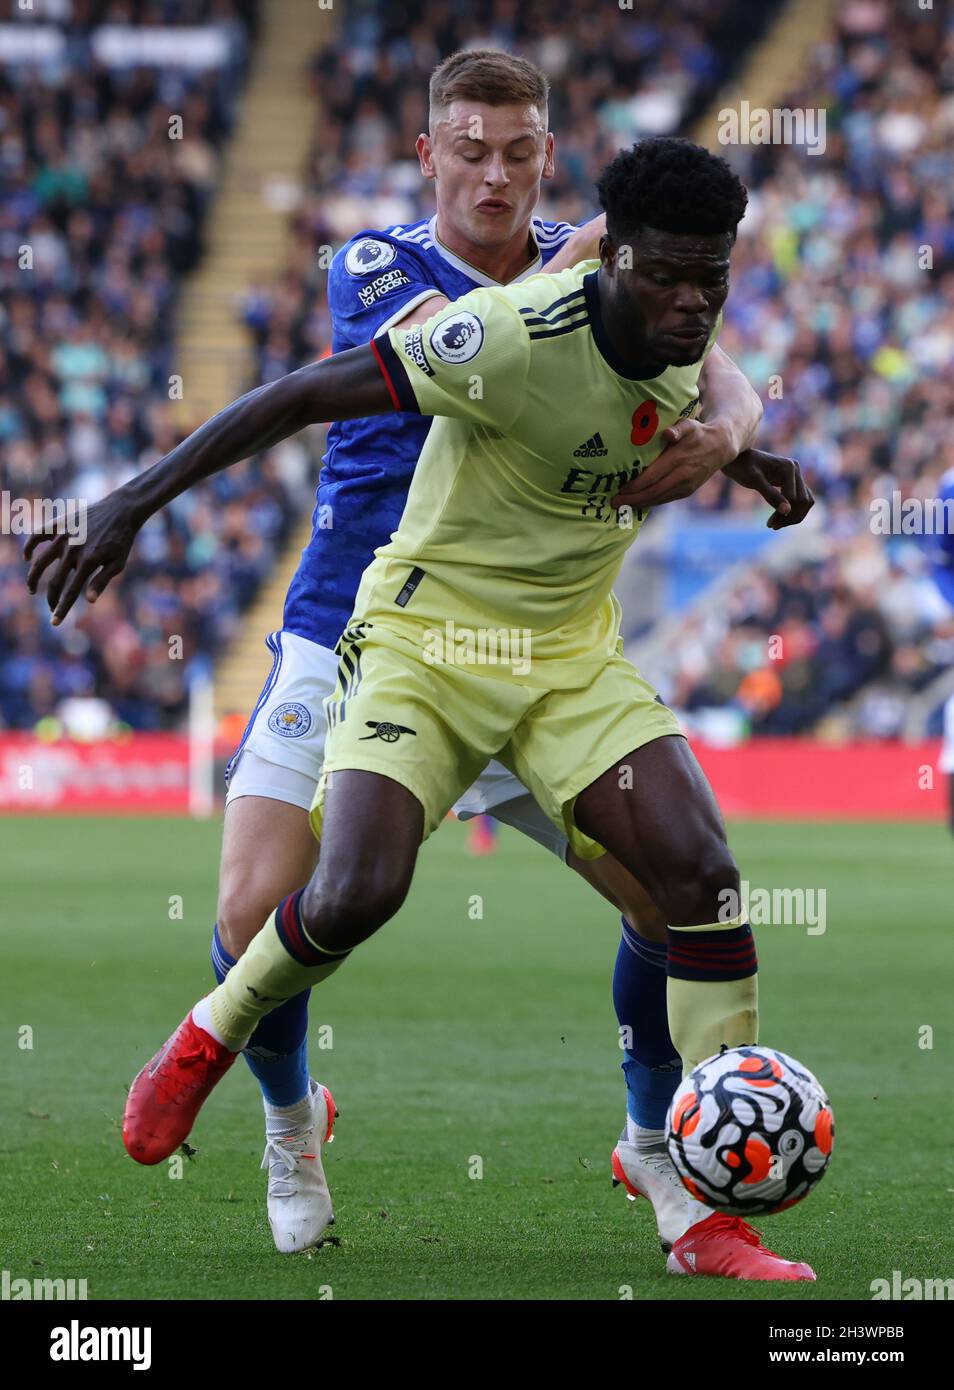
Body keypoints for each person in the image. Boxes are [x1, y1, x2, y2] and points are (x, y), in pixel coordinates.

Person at [28, 132, 815, 1280]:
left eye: (714, 278)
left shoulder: (683, 336)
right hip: (427, 640)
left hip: (569, 660)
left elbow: (700, 387)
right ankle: (207, 1038)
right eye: (669, 274)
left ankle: (693, 1203)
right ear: (614, 257)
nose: (692, 301)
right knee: (353, 891)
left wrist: (749, 452)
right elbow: (301, 394)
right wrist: (128, 503)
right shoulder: (503, 336)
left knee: (699, 880)